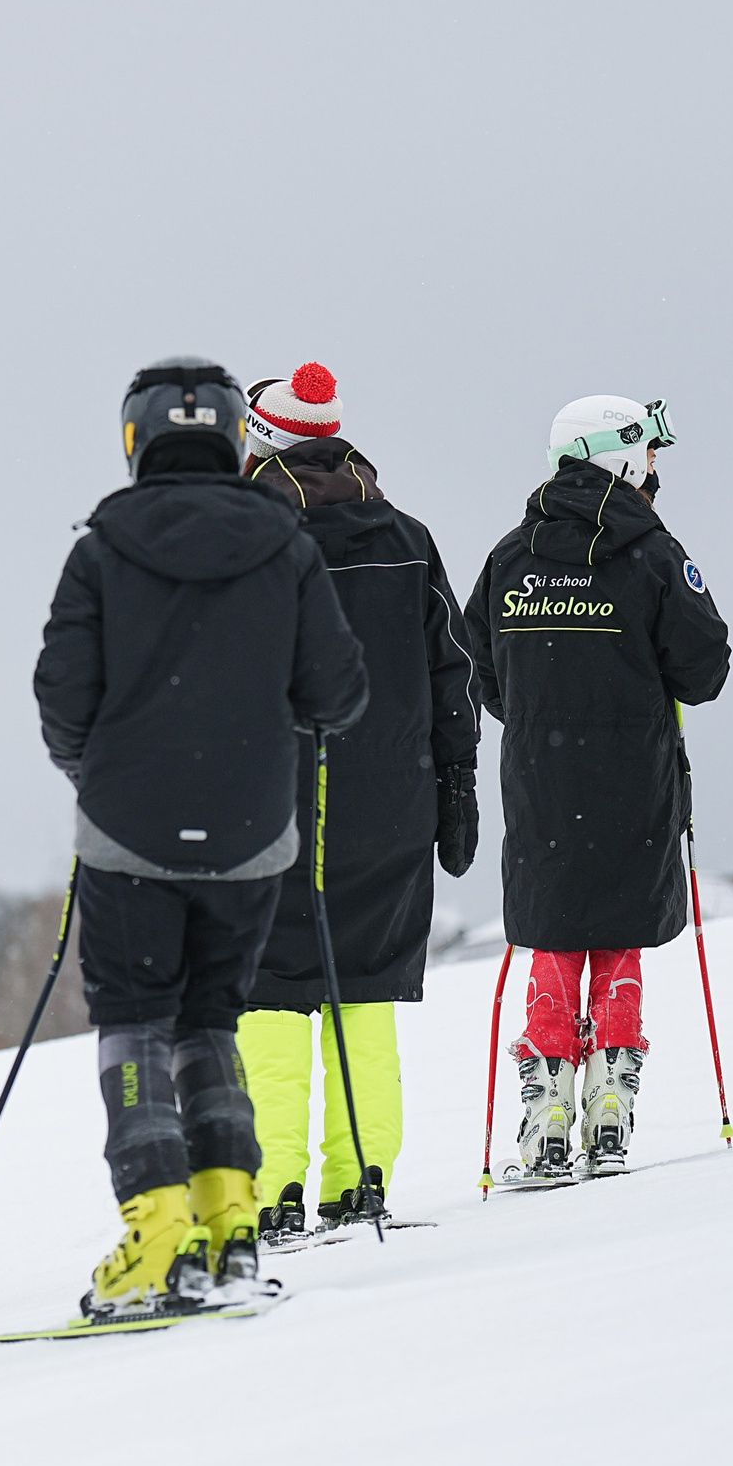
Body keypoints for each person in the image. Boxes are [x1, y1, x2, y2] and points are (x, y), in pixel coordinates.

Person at [34, 356, 368, 1315]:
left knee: (135, 1022)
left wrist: (94, 769)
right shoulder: (286, 543)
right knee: (210, 1024)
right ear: (230, 436)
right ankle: (228, 1228)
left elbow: (62, 696)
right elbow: (339, 694)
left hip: (128, 831)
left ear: (135, 440)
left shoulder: (100, 548)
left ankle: (154, 1233)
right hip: (252, 833)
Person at [234, 363, 481, 1236]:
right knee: (362, 995)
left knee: (264, 998)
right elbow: (454, 670)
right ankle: (361, 1176)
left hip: (268, 814)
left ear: (262, 441)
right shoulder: (406, 535)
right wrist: (458, 785)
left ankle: (271, 1190)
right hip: (390, 812)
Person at [462, 396, 730, 1174]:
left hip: (541, 783)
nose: (653, 471)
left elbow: (480, 661)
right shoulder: (652, 552)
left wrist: (540, 710)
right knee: (618, 935)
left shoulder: (511, 555)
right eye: (647, 454)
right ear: (616, 455)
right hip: (634, 780)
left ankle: (544, 1113)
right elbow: (706, 666)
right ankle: (612, 1105)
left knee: (554, 935)